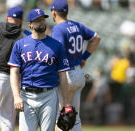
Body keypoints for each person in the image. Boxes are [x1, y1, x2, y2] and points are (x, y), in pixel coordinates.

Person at [8, 8, 70, 131]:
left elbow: (63, 75)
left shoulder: (56, 45)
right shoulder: (20, 44)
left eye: (42, 19)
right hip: (26, 95)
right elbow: (14, 72)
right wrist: (16, 96)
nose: (41, 22)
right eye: (37, 20)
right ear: (30, 24)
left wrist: (66, 103)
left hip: (49, 95)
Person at [49, 0, 101, 130]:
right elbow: (96, 38)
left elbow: (58, 51)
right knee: (75, 118)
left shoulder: (58, 28)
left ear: (54, 13)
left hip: (65, 75)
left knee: (60, 117)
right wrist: (84, 58)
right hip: (78, 74)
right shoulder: (77, 25)